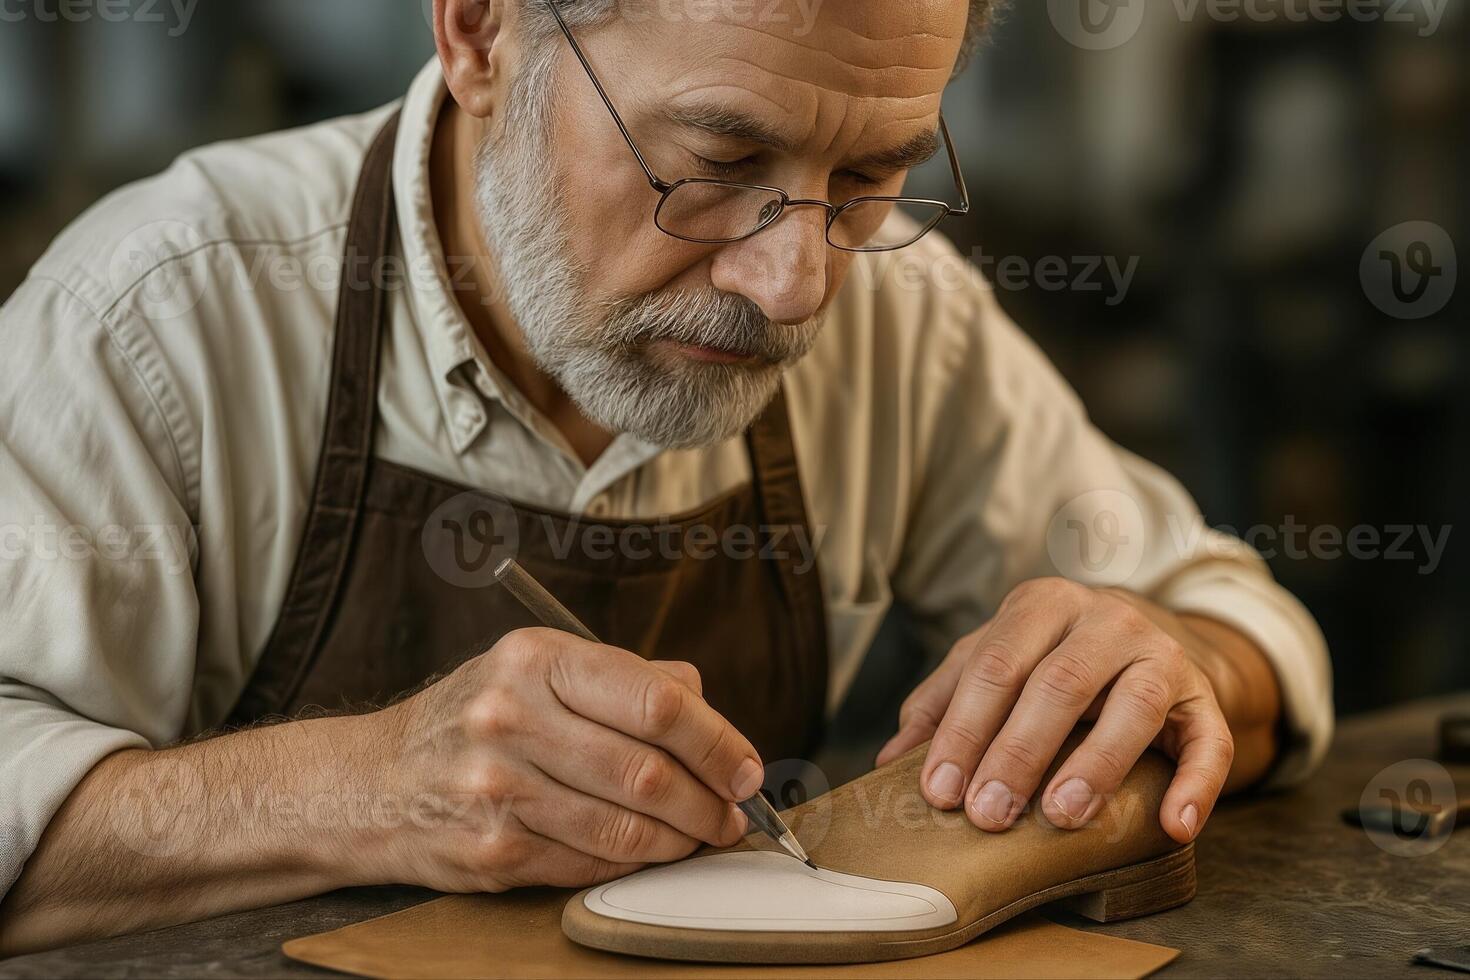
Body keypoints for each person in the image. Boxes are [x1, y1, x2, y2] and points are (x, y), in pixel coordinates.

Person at [0, 0, 1331, 955]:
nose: (794, 284)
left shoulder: (901, 316)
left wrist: (1165, 660)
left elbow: (1227, 618)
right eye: (717, 167)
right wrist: (365, 787)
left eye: (869, 177)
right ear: (480, 35)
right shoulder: (161, 311)